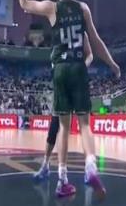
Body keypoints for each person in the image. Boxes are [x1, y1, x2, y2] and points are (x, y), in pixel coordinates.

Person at [12, 0, 120, 198]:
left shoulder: (52, 7)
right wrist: (112, 63)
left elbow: (24, 3)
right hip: (79, 67)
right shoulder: (83, 8)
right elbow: (96, 41)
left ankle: (62, 180)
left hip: (60, 69)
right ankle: (90, 166)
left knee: (63, 126)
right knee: (84, 124)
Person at [33, 33, 93, 182]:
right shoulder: (57, 43)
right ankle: (46, 165)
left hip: (77, 85)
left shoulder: (80, 33)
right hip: (62, 89)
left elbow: (90, 55)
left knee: (84, 126)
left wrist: (82, 67)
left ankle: (89, 169)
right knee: (54, 129)